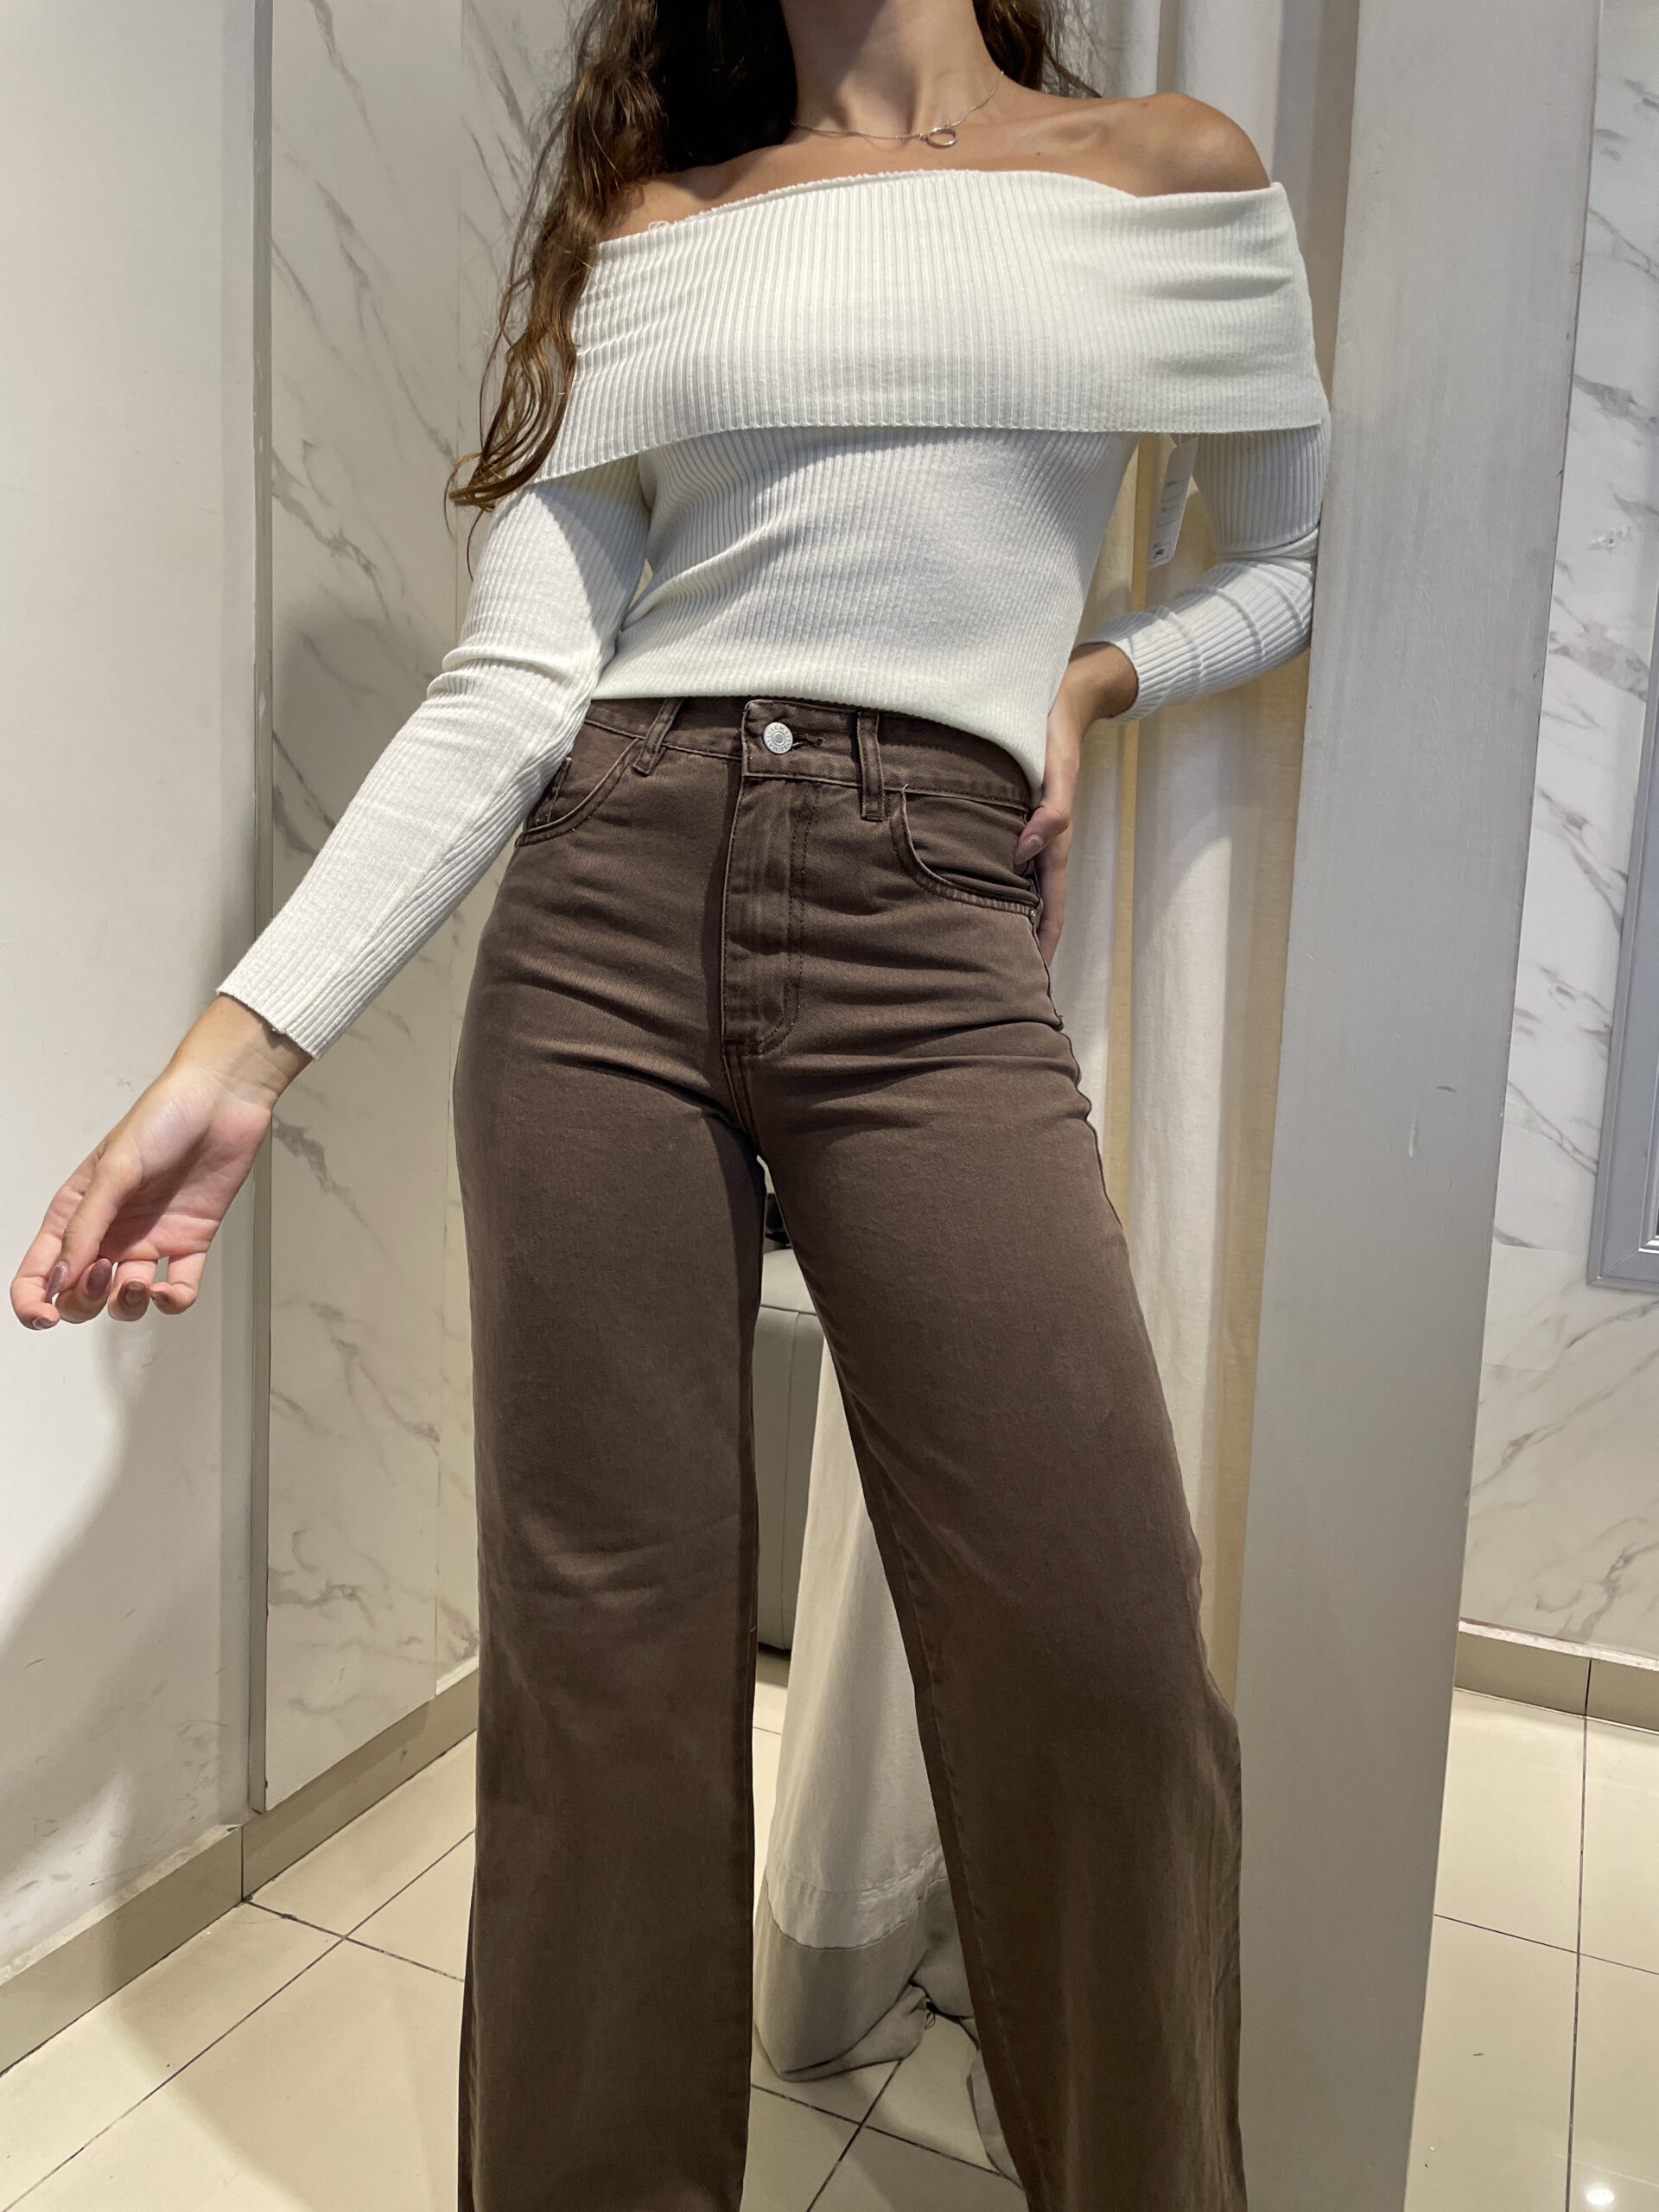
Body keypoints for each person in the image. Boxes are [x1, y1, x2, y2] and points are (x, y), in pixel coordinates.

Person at [11, 3, 1331, 2205]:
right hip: (604, 910)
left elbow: (1276, 563)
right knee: (601, 1691)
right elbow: (515, 677)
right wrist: (236, 1049)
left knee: (1098, 1664)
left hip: (932, 918)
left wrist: (1090, 677)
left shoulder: (1168, 171)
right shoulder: (654, 215)